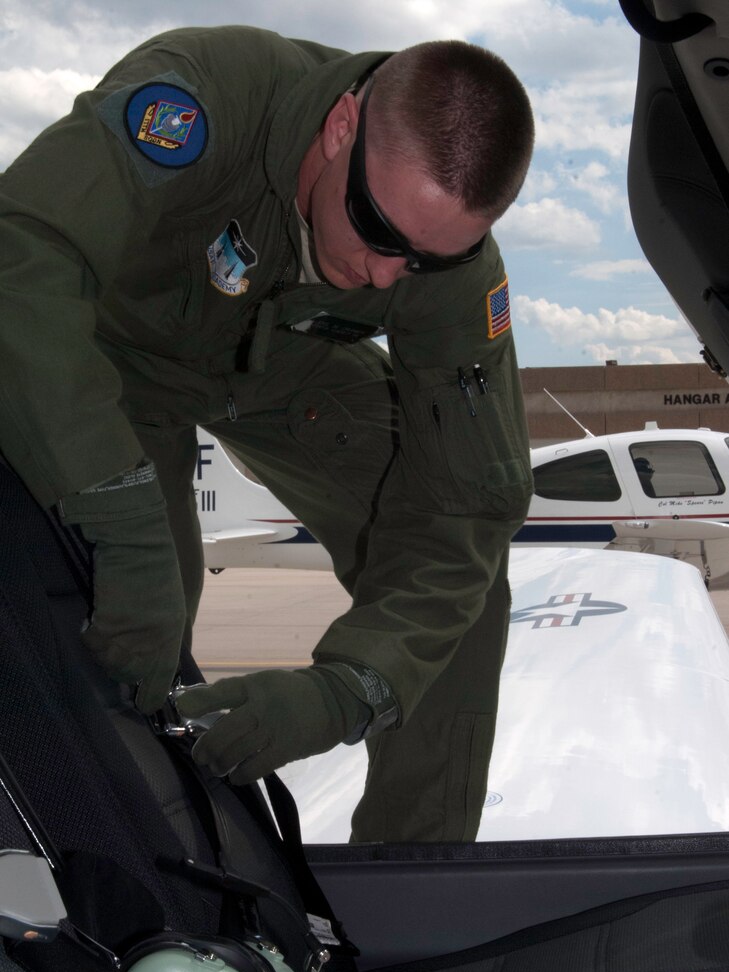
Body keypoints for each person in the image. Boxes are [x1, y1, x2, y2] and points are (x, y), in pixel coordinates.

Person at [0, 27, 535, 842]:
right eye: (376, 230)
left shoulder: (448, 262)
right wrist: (115, 514)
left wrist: (351, 689)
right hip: (123, 367)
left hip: (291, 376)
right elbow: (22, 253)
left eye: (423, 260)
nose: (387, 276)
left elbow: (468, 503)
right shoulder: (204, 96)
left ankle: (414, 884)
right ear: (340, 128)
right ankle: (136, 869)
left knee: (460, 597)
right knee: (131, 622)